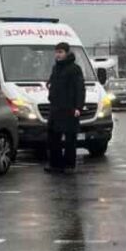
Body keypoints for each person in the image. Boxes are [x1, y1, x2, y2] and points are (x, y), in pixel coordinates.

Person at [46, 42, 84, 173]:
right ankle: (55, 164)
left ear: (67, 53)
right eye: (56, 52)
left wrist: (78, 107)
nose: (58, 55)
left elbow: (80, 89)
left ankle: (69, 165)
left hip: (69, 109)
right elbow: (52, 83)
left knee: (70, 139)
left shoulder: (74, 69)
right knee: (53, 137)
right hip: (56, 109)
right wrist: (50, 91)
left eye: (61, 52)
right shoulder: (56, 68)